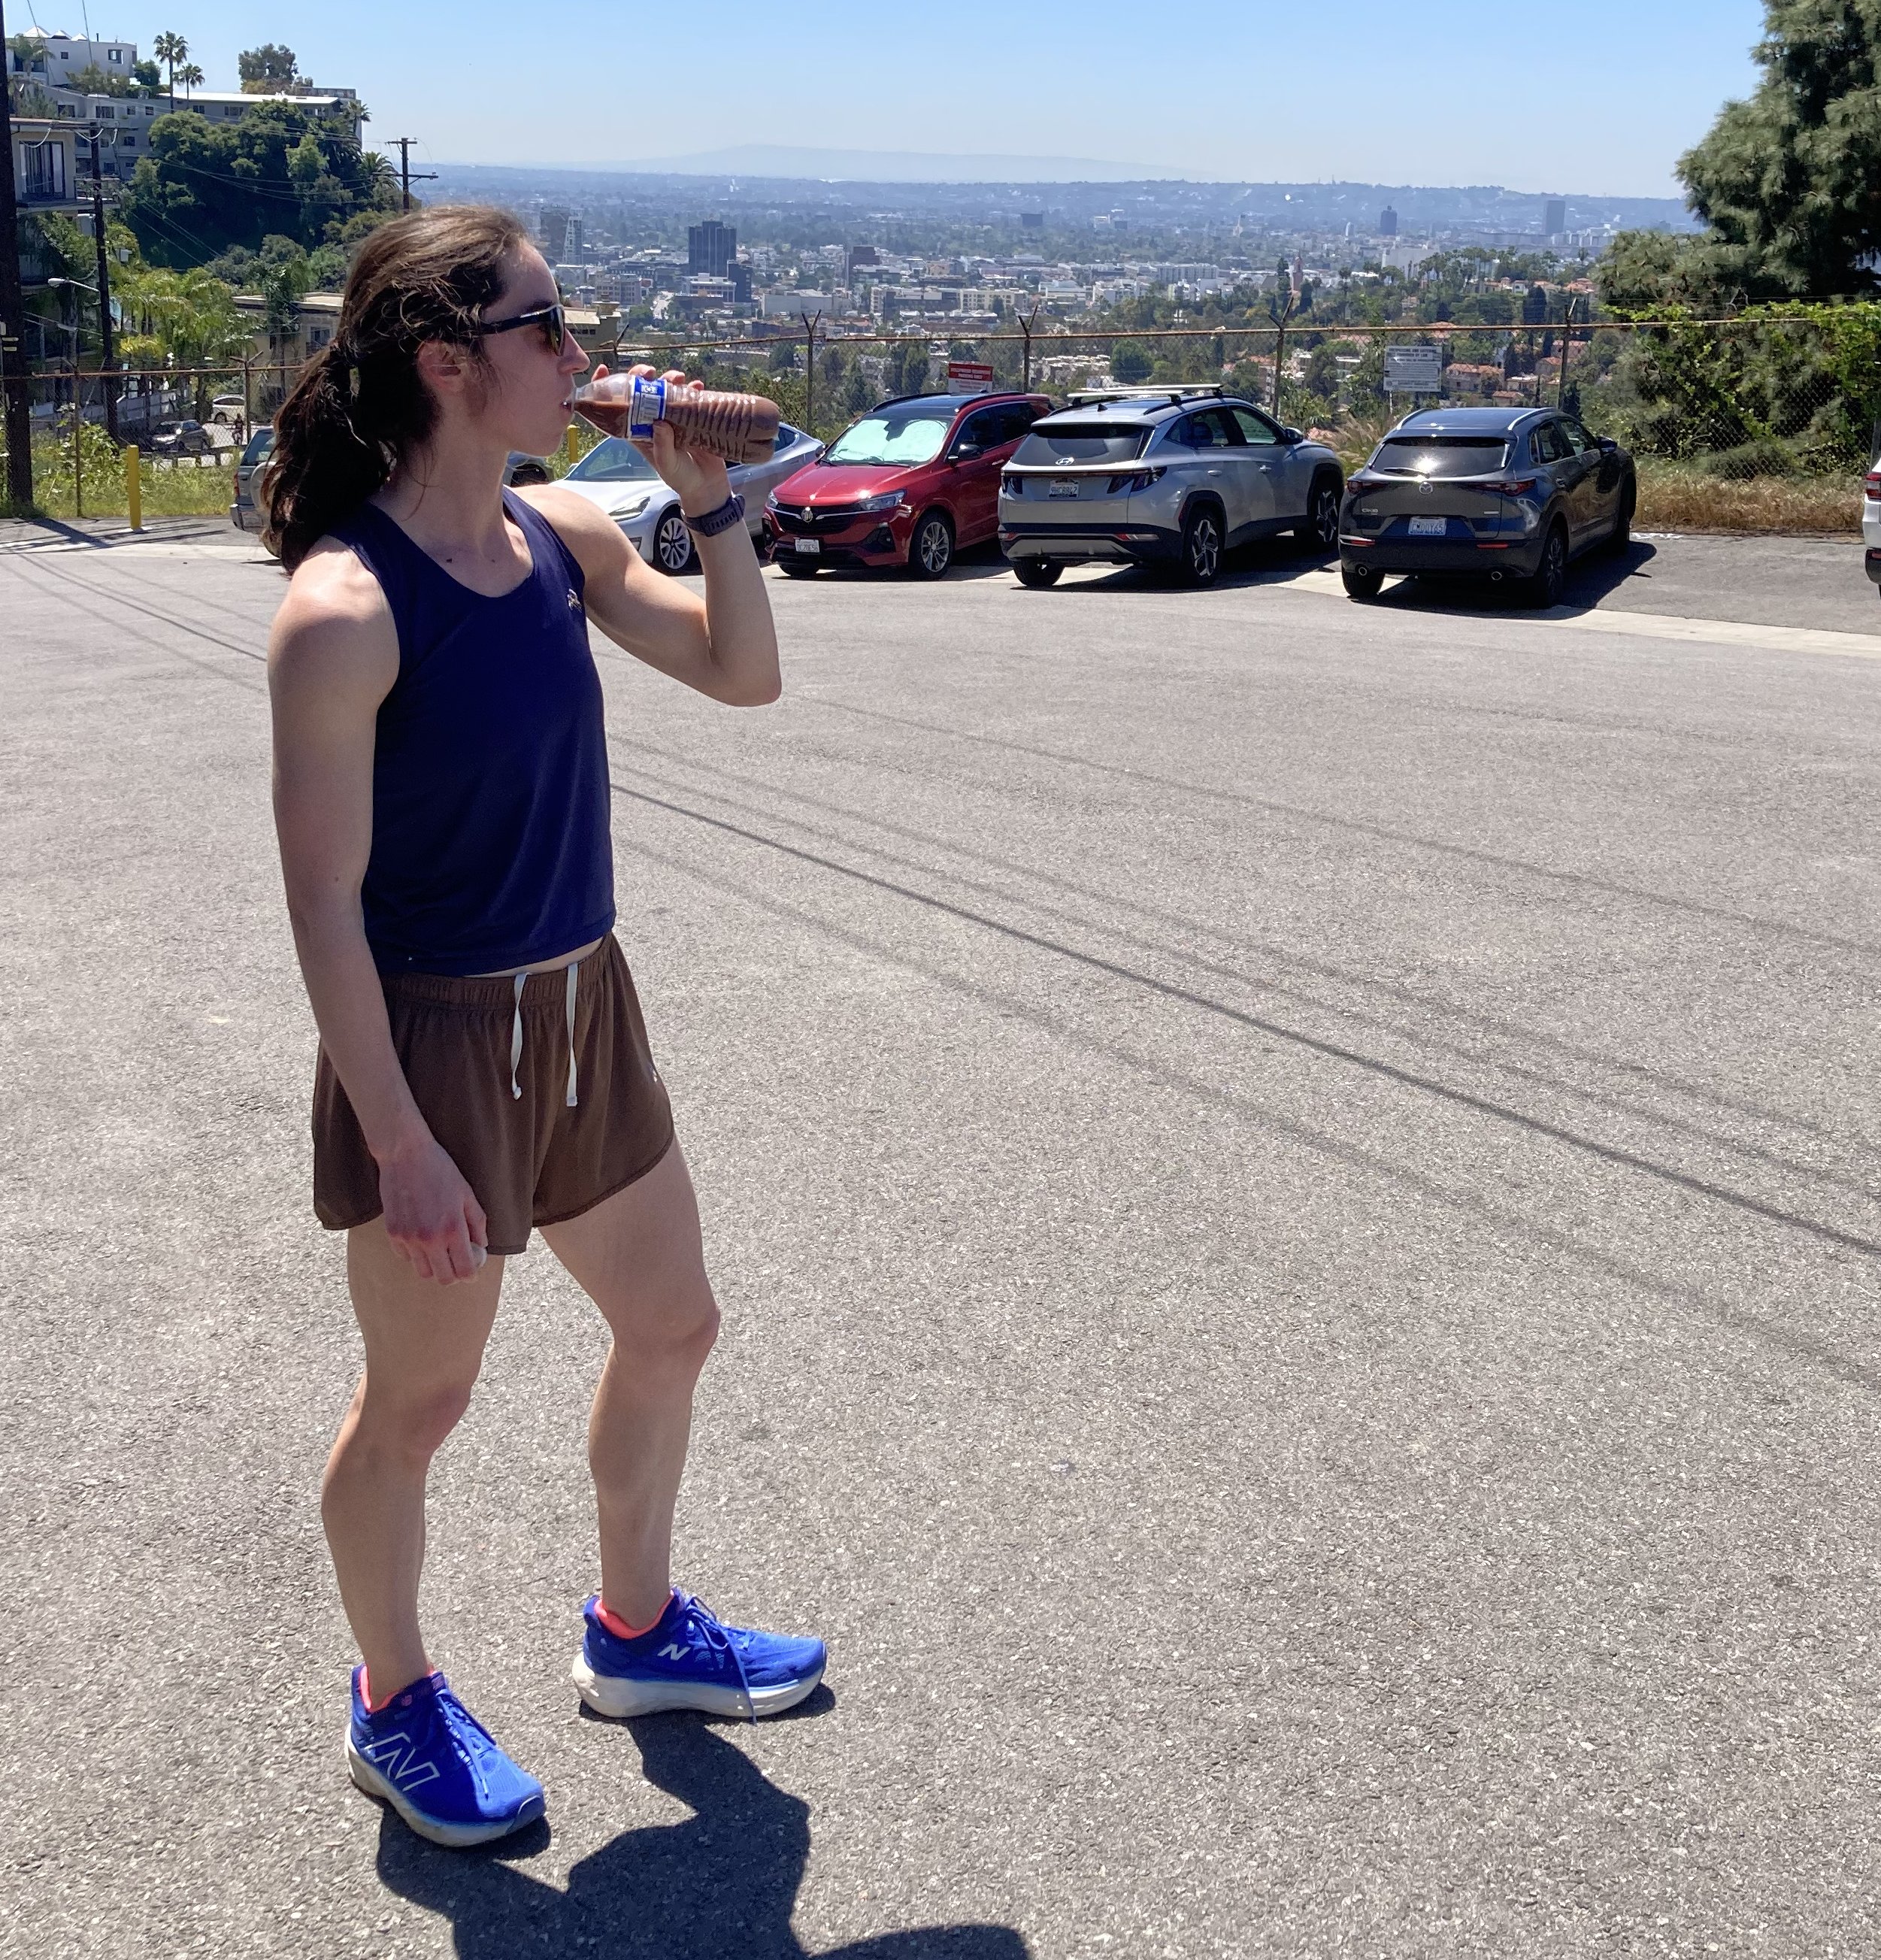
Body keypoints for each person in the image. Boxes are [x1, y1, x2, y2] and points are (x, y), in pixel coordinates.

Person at [262, 205, 824, 1850]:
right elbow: (322, 906)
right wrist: (402, 1141)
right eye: (546, 327)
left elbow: (742, 676)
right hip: (430, 1044)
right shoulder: (344, 608)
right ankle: (392, 1700)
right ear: (448, 363)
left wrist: (714, 509)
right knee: (417, 1411)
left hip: (584, 1003)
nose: (580, 357)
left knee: (675, 1326)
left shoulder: (563, 532)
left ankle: (636, 1636)